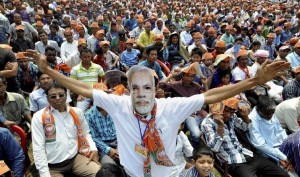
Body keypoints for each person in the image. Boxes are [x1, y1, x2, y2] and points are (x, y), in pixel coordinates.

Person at [27, 48, 289, 177]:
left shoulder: (170, 107)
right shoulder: (118, 104)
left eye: (147, 87)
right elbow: (81, 89)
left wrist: (254, 82)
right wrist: (49, 72)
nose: (141, 94)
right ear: (128, 90)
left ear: (156, 89)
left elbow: (211, 95)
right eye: (135, 88)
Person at [201, 97, 289, 177]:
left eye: (231, 112)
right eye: (226, 111)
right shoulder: (208, 123)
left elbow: (246, 127)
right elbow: (214, 148)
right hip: (233, 161)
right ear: (218, 108)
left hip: (248, 154)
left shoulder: (232, 117)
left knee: (283, 175)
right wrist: (220, 126)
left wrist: (245, 115)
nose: (228, 115)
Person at [32, 82, 100, 177]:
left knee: (100, 173)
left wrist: (93, 148)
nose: (58, 98)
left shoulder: (77, 112)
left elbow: (86, 133)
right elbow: (38, 148)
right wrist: (44, 174)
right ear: (47, 98)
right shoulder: (38, 117)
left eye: (61, 95)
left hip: (75, 159)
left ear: (66, 96)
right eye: (53, 96)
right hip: (52, 166)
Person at [85, 84, 118, 165]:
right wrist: (109, 150)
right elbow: (94, 138)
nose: (102, 99)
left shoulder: (116, 109)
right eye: (98, 96)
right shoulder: (89, 115)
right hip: (103, 146)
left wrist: (120, 147)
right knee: (109, 165)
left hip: (119, 142)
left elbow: (122, 130)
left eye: (104, 95)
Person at [248, 95, 288, 163]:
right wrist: (282, 156)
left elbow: (280, 131)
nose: (270, 116)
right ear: (258, 110)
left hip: (282, 145)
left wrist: (288, 144)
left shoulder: (270, 111)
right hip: (269, 152)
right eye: (267, 114)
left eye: (272, 113)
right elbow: (260, 145)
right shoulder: (252, 120)